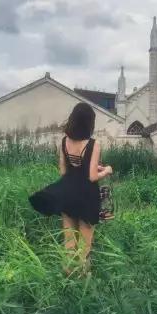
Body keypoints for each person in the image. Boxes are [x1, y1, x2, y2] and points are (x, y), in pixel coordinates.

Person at [28, 102, 113, 275]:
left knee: (69, 241)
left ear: (73, 119)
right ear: (90, 122)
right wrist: (107, 170)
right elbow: (91, 177)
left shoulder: (65, 141)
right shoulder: (93, 144)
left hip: (68, 194)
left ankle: (67, 274)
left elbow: (64, 170)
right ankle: (83, 280)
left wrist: (86, 169)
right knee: (85, 244)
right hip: (87, 196)